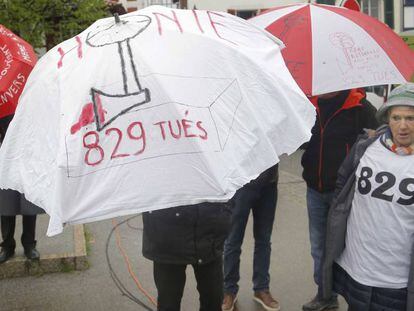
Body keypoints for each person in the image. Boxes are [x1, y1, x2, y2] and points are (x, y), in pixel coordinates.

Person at [321, 83, 414, 311]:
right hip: (357, 268)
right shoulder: (366, 147)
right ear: (387, 118)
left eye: (411, 118)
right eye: (396, 117)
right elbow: (343, 185)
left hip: (396, 280)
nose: (402, 126)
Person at [301, 88, 378, 311]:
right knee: (318, 247)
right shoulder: (309, 105)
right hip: (314, 189)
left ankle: (356, 297)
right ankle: (325, 295)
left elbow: (378, 138)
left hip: (345, 193)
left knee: (347, 247)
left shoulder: (359, 106)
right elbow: (301, 140)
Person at [142, 201, 232, 311]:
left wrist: (226, 212)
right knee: (168, 303)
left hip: (209, 232)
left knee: (213, 300)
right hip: (168, 239)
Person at [222, 165, 280, 311]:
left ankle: (261, 289)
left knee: (264, 240)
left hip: (269, 183)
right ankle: (229, 291)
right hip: (241, 183)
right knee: (233, 240)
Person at [0, 115, 43, 263]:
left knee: (29, 202)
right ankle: (7, 246)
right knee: (6, 205)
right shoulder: (2, 101)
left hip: (27, 155)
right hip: (5, 157)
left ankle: (29, 244)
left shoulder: (28, 98)